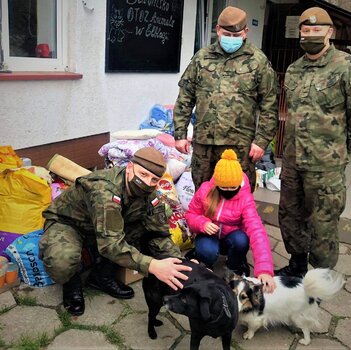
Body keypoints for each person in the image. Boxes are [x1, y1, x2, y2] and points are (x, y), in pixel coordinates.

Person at [275, 7, 351, 277]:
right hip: (294, 160)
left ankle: (321, 277)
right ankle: (296, 265)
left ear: (329, 32)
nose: (310, 35)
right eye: (305, 31)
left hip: (326, 164)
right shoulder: (295, 69)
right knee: (290, 214)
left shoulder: (347, 66)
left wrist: (342, 143)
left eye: (316, 30)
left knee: (323, 222)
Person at [39, 147, 192, 316]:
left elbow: (158, 234)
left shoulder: (150, 195)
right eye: (143, 175)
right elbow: (110, 245)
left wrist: (183, 265)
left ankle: (101, 276)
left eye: (154, 179)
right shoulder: (105, 191)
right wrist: (153, 266)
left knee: (143, 232)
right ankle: (72, 282)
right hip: (70, 224)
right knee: (62, 261)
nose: (148, 183)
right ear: (129, 168)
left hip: (105, 226)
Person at [173, 6, 278, 193]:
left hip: (239, 145)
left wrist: (261, 141)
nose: (232, 38)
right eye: (227, 33)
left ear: (245, 32)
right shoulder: (202, 58)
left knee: (237, 195)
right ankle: (204, 223)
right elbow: (185, 97)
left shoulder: (258, 61)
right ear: (218, 30)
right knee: (203, 193)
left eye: (236, 35)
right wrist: (180, 134)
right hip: (204, 144)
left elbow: (269, 105)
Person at [185, 149, 276, 293]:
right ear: (217, 184)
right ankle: (205, 267)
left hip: (231, 237)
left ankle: (234, 268)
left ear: (239, 183)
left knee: (241, 240)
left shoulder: (245, 198)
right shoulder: (205, 190)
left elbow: (257, 229)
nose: (229, 191)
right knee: (207, 251)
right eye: (224, 188)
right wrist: (202, 223)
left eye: (233, 187)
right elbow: (190, 215)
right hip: (209, 236)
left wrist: (264, 269)